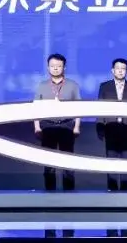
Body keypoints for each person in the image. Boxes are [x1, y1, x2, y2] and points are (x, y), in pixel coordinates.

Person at [33, 53, 81, 192]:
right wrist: (37, 127)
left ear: (64, 67)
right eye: (52, 66)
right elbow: (36, 108)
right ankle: (50, 192)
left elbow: (79, 107)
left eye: (59, 66)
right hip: (48, 126)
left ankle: (69, 192)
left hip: (66, 126)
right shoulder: (42, 86)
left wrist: (77, 127)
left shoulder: (72, 85)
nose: (55, 68)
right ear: (48, 67)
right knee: (48, 162)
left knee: (68, 161)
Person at [97, 58, 127, 192]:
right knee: (111, 160)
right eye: (118, 68)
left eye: (123, 69)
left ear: (126, 71)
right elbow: (99, 108)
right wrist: (100, 127)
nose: (120, 71)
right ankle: (112, 188)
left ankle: (125, 188)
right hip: (110, 128)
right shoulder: (104, 87)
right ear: (113, 70)